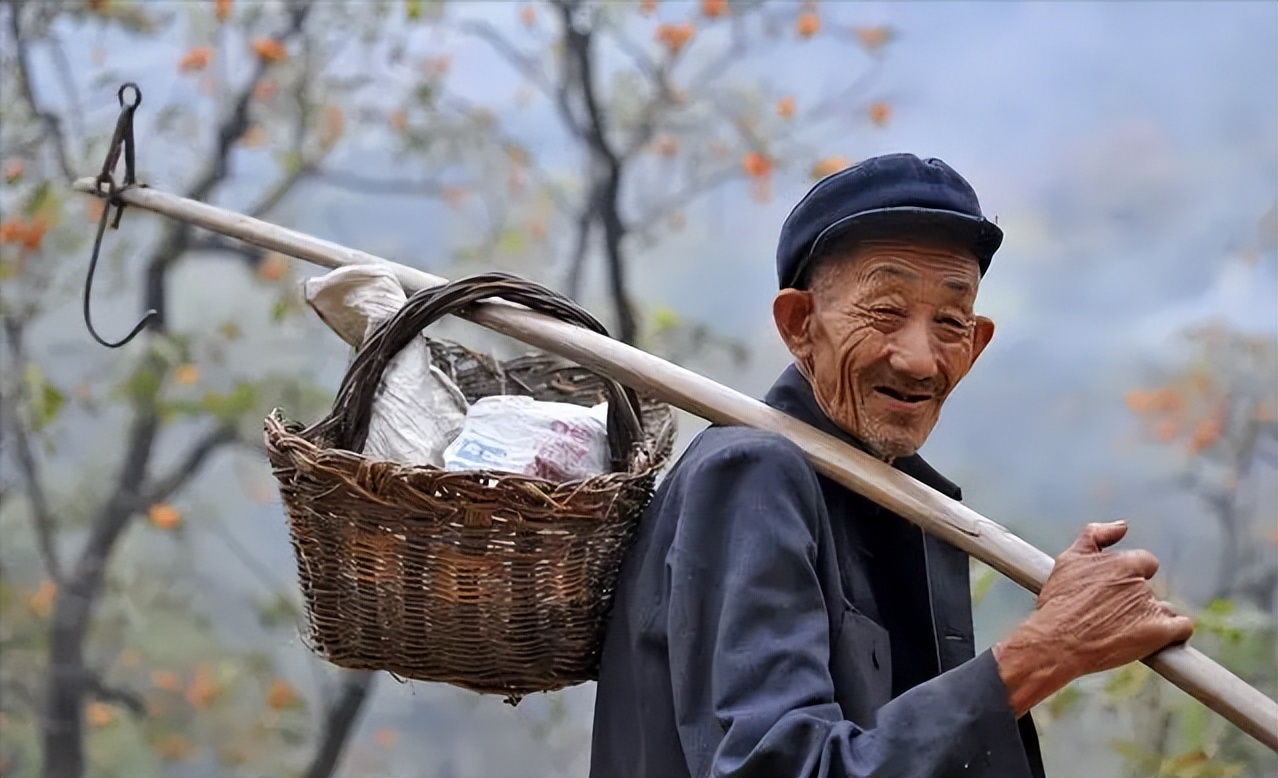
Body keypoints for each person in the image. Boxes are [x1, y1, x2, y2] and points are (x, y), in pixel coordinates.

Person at [588, 153, 1195, 778]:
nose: (918, 360)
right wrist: (1047, 650)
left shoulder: (900, 500)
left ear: (977, 342)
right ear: (801, 325)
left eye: (951, 323)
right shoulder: (753, 473)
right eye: (884, 312)